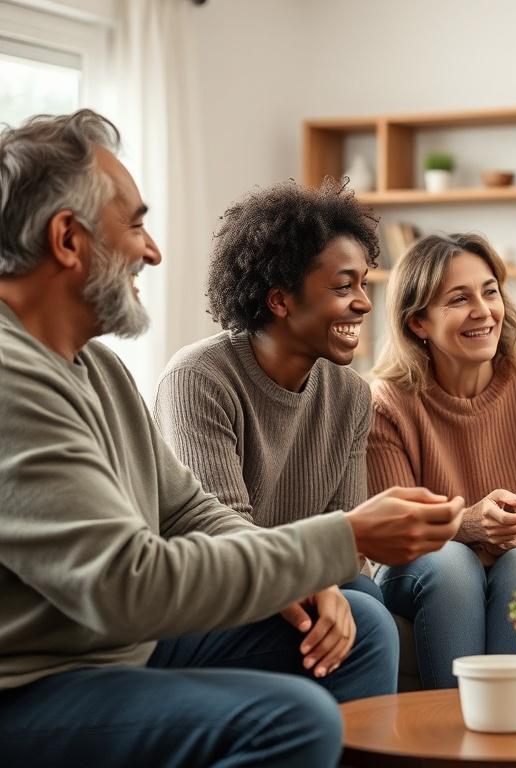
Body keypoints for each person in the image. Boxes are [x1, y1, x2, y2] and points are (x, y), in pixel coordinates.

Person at [0, 109, 464, 768]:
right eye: (134, 224)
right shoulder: (12, 379)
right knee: (291, 721)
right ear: (68, 239)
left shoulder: (94, 365)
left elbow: (185, 509)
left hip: (111, 645)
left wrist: (309, 576)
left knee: (359, 627)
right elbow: (129, 586)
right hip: (33, 681)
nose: (153, 250)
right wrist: (345, 539)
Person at [155, 180, 386, 684]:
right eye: (344, 286)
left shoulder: (350, 395)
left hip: (302, 578)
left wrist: (325, 578)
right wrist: (311, 577)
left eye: (364, 284)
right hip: (220, 589)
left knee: (365, 597)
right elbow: (217, 530)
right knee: (366, 616)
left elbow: (346, 537)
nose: (365, 303)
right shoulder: (199, 378)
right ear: (280, 300)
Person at [368, 232, 516, 689]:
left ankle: (507, 739)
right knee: (452, 563)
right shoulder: (386, 403)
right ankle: (455, 740)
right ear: (418, 322)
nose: (483, 310)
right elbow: (393, 528)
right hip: (421, 567)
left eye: (490, 291)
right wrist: (472, 523)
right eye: (459, 299)